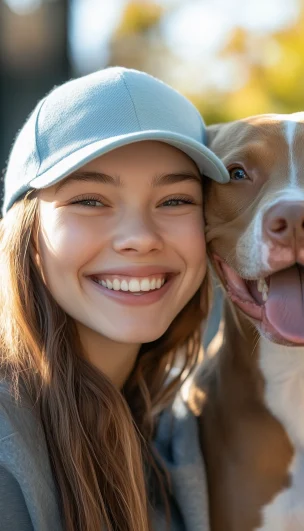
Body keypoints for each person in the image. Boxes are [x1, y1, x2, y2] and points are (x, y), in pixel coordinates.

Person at [0, 67, 229, 531]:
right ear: (27, 232)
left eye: (175, 201)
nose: (140, 238)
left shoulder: (187, 437)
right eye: (89, 200)